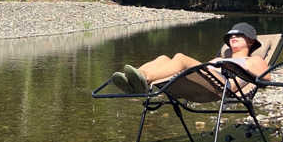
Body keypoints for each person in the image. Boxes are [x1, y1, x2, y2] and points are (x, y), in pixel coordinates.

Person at [109, 21, 271, 93]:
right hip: (206, 79)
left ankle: (145, 79)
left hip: (222, 86)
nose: (232, 38)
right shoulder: (221, 58)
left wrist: (240, 70)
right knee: (163, 58)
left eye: (239, 35)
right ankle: (133, 80)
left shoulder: (253, 60)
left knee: (180, 58)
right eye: (231, 36)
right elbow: (205, 70)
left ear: (250, 40)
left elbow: (266, 79)